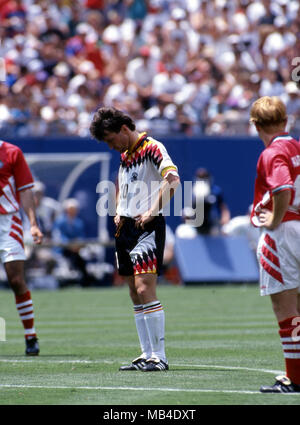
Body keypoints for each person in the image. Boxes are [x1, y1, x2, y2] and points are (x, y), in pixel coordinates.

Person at [89, 107, 180, 372]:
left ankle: (159, 357)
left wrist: (152, 212)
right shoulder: (125, 155)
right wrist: (118, 211)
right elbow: (121, 188)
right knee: (133, 291)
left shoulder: (152, 147)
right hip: (125, 228)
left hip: (146, 228)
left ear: (124, 129)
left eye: (110, 138)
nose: (110, 145)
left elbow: (172, 179)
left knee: (144, 289)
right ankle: (146, 353)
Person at [249, 96, 300, 393]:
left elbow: (282, 188)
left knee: (285, 304)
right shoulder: (296, 146)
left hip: (284, 233)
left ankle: (294, 378)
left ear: (256, 125)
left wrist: (273, 220)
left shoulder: (273, 152)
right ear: (285, 120)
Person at [0, 141, 43, 355]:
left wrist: (33, 224)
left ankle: (30, 335)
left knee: (16, 280)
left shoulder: (12, 152)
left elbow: (25, 189)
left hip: (8, 223)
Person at [52, 198, 94, 287]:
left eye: (74, 209)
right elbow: (59, 236)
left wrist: (77, 245)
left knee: (82, 259)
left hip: (75, 250)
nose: (73, 211)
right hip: (62, 250)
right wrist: (70, 245)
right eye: (71, 209)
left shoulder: (79, 223)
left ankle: (85, 282)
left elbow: (81, 237)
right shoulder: (60, 222)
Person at [192, 167, 230, 235]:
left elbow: (223, 207)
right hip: (196, 224)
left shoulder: (216, 191)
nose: (202, 179)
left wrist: (225, 218)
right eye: (200, 177)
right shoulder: (193, 192)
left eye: (204, 176)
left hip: (213, 223)